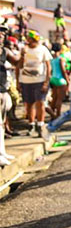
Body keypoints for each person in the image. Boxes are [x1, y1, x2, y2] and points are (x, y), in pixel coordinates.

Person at [16, 30, 51, 137]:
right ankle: (31, 124)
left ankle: (40, 124)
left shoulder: (42, 49)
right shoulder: (23, 50)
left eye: (30, 39)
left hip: (39, 80)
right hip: (26, 81)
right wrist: (18, 81)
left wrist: (46, 82)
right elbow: (19, 66)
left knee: (40, 103)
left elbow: (48, 66)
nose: (28, 41)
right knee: (28, 103)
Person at [0, 25, 20, 165]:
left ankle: (2, 152)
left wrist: (24, 54)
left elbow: (17, 62)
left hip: (3, 89)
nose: (1, 35)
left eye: (3, 33)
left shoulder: (4, 50)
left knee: (1, 124)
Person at [49, 45, 69, 118]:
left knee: (54, 98)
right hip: (60, 79)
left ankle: (52, 114)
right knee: (59, 99)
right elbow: (63, 71)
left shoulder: (52, 59)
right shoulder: (61, 59)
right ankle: (58, 115)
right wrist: (67, 80)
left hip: (53, 78)